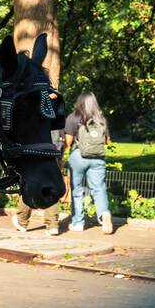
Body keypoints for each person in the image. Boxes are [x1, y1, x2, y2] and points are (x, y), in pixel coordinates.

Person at [64, 90, 113, 233]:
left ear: (79, 102)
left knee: (77, 190)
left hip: (78, 156)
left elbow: (68, 141)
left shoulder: (73, 118)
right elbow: (107, 141)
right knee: (99, 188)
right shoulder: (101, 120)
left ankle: (78, 223)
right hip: (97, 158)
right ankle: (105, 214)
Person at [12, 128, 64, 235]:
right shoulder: (52, 114)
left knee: (29, 184)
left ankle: (22, 221)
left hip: (36, 152)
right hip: (54, 152)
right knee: (51, 188)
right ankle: (52, 224)